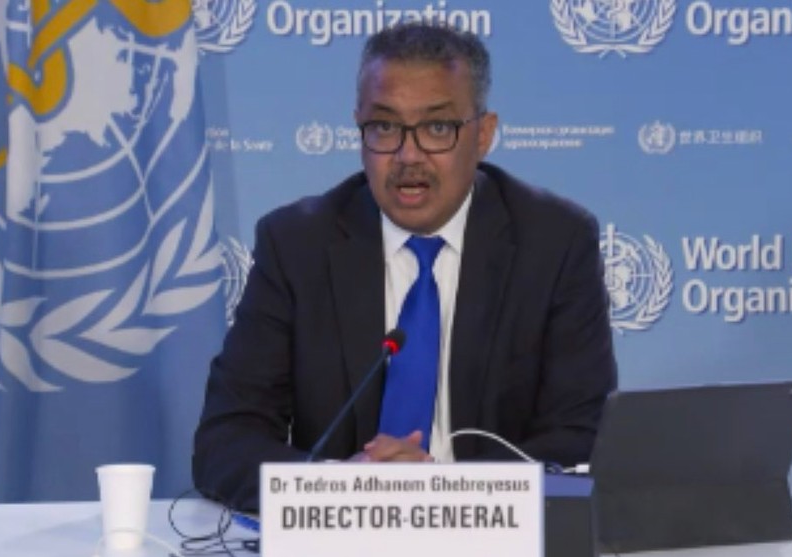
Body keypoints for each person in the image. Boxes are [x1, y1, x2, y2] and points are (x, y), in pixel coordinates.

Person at [193, 22, 617, 512]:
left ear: (483, 135)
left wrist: (441, 490)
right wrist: (339, 487)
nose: (407, 156)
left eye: (437, 128)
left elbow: (581, 439)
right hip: (344, 531)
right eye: (385, 127)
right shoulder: (296, 245)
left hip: (487, 532)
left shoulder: (555, 243)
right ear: (359, 127)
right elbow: (226, 439)